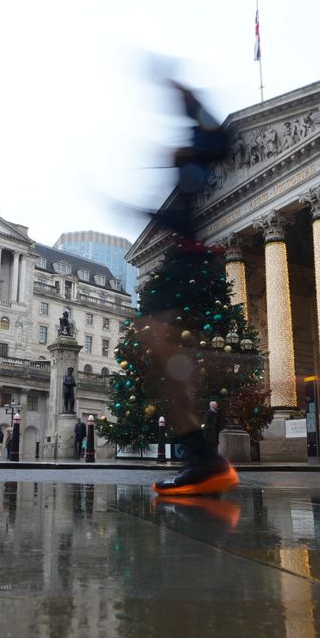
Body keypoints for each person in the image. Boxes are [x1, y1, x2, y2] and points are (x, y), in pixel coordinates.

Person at [141, 80, 239, 496]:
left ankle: (203, 459)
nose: (172, 153)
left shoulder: (199, 163)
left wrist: (191, 102)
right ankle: (202, 457)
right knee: (164, 364)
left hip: (188, 270)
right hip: (182, 269)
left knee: (166, 360)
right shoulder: (186, 180)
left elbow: (220, 139)